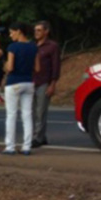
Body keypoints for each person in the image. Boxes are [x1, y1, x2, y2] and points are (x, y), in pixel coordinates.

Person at [1, 22, 40, 155]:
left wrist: (5, 66)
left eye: (12, 32)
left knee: (11, 115)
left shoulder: (12, 47)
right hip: (28, 82)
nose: (10, 35)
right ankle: (26, 147)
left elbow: (10, 67)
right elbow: (37, 68)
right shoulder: (33, 46)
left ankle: (10, 147)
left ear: (19, 31)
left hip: (14, 82)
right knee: (27, 115)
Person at [32, 20, 61, 148]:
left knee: (40, 111)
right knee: (32, 111)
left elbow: (56, 66)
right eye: (35, 30)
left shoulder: (52, 46)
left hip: (44, 82)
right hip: (31, 81)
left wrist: (52, 84)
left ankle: (37, 137)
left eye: (39, 30)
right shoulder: (32, 45)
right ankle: (40, 136)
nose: (36, 33)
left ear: (46, 31)